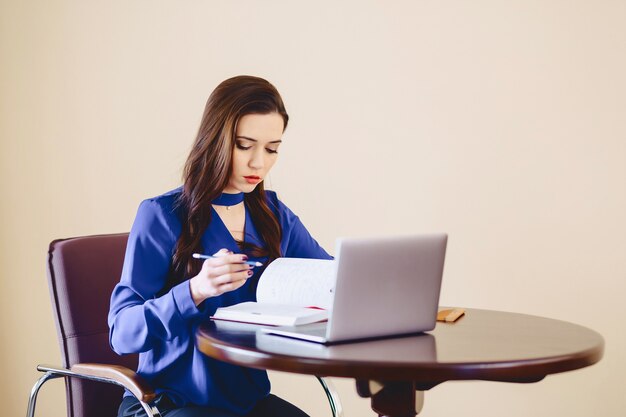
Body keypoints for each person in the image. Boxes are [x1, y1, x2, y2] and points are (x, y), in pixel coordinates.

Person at [108, 75, 332, 417]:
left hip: (245, 402)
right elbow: (123, 333)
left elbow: (330, 279)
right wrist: (195, 290)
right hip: (169, 403)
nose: (260, 162)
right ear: (215, 139)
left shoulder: (273, 215)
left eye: (272, 148)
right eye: (245, 145)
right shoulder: (162, 215)